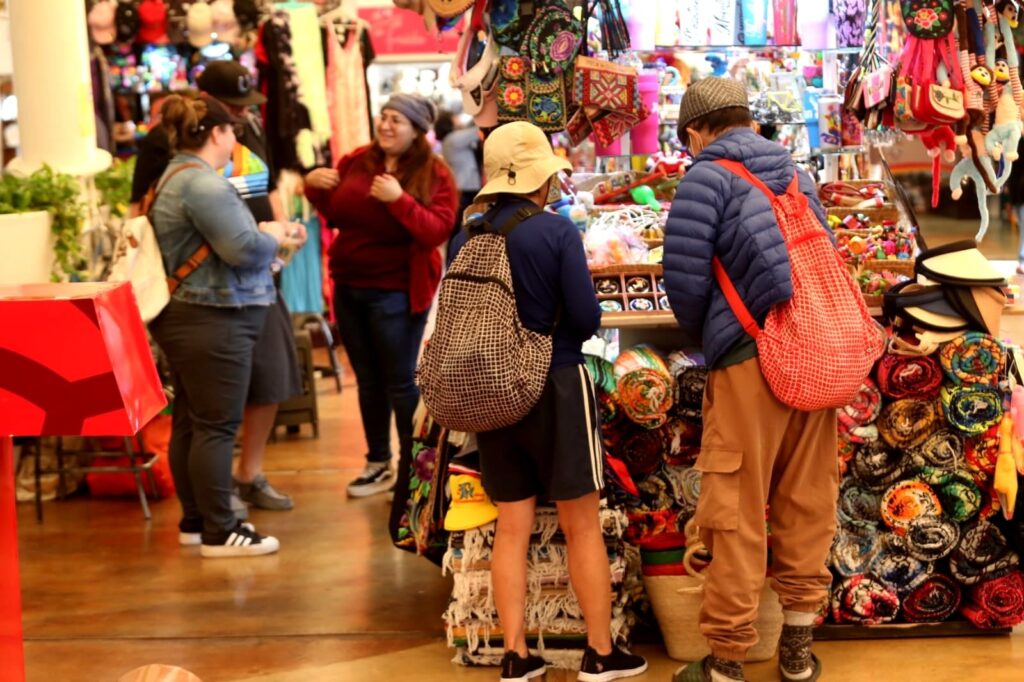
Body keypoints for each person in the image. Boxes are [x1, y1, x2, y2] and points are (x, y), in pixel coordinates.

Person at [448, 122, 648, 682]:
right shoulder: (555, 232)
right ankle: (600, 652)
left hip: (490, 390)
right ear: (541, 176)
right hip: (556, 384)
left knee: (511, 526)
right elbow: (586, 318)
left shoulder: (467, 235)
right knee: (580, 524)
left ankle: (515, 654)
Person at [664, 78, 836, 682]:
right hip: (815, 355)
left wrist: (711, 335)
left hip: (747, 358)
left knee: (734, 506)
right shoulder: (796, 171)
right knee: (808, 497)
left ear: (694, 132)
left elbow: (684, 284)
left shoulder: (703, 178)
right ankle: (796, 646)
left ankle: (729, 658)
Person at [131, 60, 302, 516]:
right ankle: (218, 525)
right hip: (212, 305)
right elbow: (244, 248)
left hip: (224, 298)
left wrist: (272, 237)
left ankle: (204, 517)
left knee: (200, 420)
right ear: (215, 130)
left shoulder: (189, 174)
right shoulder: (198, 181)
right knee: (214, 426)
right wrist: (274, 234)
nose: (240, 127)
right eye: (231, 120)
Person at [304, 94, 458, 498]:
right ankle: (377, 463)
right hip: (350, 284)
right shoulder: (357, 161)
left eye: (398, 121)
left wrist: (400, 202)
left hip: (398, 291)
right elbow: (338, 215)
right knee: (367, 381)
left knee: (400, 382)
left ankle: (413, 468)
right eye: (384, 117)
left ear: (417, 130)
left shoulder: (434, 173)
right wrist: (315, 191)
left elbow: (436, 231)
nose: (387, 126)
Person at [439, 112, 483, 236]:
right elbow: (477, 130)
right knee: (463, 223)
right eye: (455, 117)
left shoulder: (449, 139)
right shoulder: (455, 138)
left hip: (462, 185)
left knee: (460, 223)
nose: (458, 118)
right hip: (466, 187)